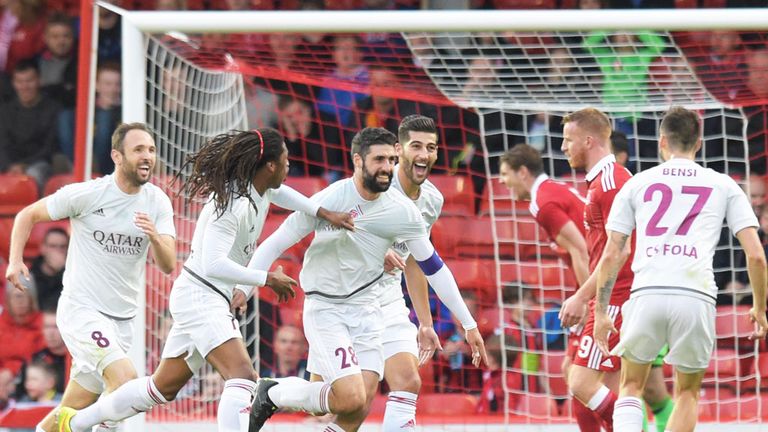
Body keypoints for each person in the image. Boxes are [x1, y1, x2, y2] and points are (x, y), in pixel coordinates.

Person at [55, 128, 354, 432]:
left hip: (208, 297)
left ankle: (77, 422)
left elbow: (285, 195)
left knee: (162, 388)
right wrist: (265, 279)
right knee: (243, 377)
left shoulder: (262, 189)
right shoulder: (232, 204)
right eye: (286, 159)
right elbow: (213, 265)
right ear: (271, 166)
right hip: (201, 294)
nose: (290, 166)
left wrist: (323, 212)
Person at [246, 127, 488, 431]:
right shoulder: (332, 198)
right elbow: (276, 242)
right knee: (347, 398)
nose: (387, 167)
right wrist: (247, 285)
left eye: (390, 159)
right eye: (379, 160)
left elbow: (433, 267)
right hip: (327, 308)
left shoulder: (406, 212)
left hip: (371, 310)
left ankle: (276, 392)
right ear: (358, 161)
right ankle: (273, 391)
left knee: (360, 403)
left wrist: (468, 324)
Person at [593, 106, 768, 432]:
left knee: (631, 385)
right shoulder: (723, 184)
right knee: (688, 392)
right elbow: (756, 255)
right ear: (698, 143)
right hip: (696, 294)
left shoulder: (637, 182)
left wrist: (602, 311)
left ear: (662, 141)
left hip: (647, 292)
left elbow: (613, 252)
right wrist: (759, 307)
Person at [5, 122, 177, 432]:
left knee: (70, 410)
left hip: (122, 323)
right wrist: (15, 261)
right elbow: (26, 215)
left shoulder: (157, 202)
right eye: (138, 149)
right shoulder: (90, 194)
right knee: (126, 384)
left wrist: (153, 235)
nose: (147, 156)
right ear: (117, 156)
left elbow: (168, 264)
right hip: (82, 312)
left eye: (151, 150)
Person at [498, 143, 602, 431]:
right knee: (579, 376)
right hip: (605, 286)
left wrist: (587, 302)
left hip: (606, 292)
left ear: (522, 172)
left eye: (505, 174)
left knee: (583, 380)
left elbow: (582, 251)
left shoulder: (542, 202)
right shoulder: (551, 191)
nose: (501, 181)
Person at [559, 107, 633, 431]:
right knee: (612, 387)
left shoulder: (611, 182)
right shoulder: (602, 182)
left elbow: (619, 251)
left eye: (568, 140)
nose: (563, 147)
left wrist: (582, 297)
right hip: (614, 295)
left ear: (588, 141)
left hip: (616, 296)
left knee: (580, 382)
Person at [29, 227, 67, 311]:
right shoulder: (30, 276)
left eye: (62, 246)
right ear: (42, 248)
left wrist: (63, 271)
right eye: (53, 246)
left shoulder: (73, 276)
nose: (58, 251)